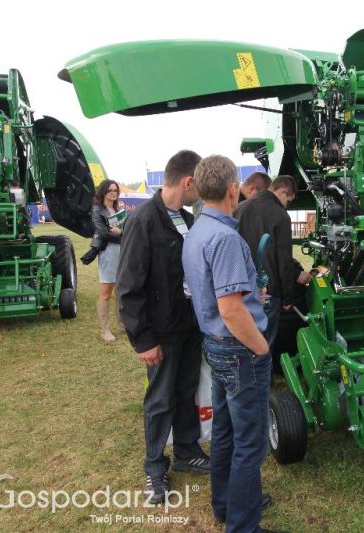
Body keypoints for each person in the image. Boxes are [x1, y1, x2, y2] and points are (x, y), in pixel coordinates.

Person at [182, 155, 275, 533]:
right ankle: (242, 525)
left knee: (225, 432)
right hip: (238, 350)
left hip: (216, 345)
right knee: (250, 443)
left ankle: (226, 505)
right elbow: (232, 310)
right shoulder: (225, 237)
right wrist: (262, 347)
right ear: (232, 189)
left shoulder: (199, 230)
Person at [116, 150, 210, 506]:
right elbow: (128, 287)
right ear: (188, 182)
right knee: (159, 399)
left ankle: (187, 449)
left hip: (189, 325)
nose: (199, 193)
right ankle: (155, 468)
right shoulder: (144, 221)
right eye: (198, 186)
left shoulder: (187, 218)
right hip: (161, 331)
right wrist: (143, 340)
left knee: (186, 390)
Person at [235, 175, 311, 352]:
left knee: (246, 341)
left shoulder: (240, 208)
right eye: (288, 201)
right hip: (268, 292)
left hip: (242, 289)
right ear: (283, 192)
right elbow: (284, 262)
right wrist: (288, 298)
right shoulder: (280, 216)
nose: (287, 205)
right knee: (264, 345)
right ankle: (264, 379)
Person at [91, 179, 124, 342]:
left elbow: (121, 230)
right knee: (106, 292)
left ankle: (122, 324)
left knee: (120, 290)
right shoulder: (98, 210)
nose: (113, 193)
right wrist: (121, 235)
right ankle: (104, 330)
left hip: (121, 251)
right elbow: (103, 233)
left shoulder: (116, 209)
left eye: (116, 191)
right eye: (111, 190)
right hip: (108, 252)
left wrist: (121, 232)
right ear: (103, 191)